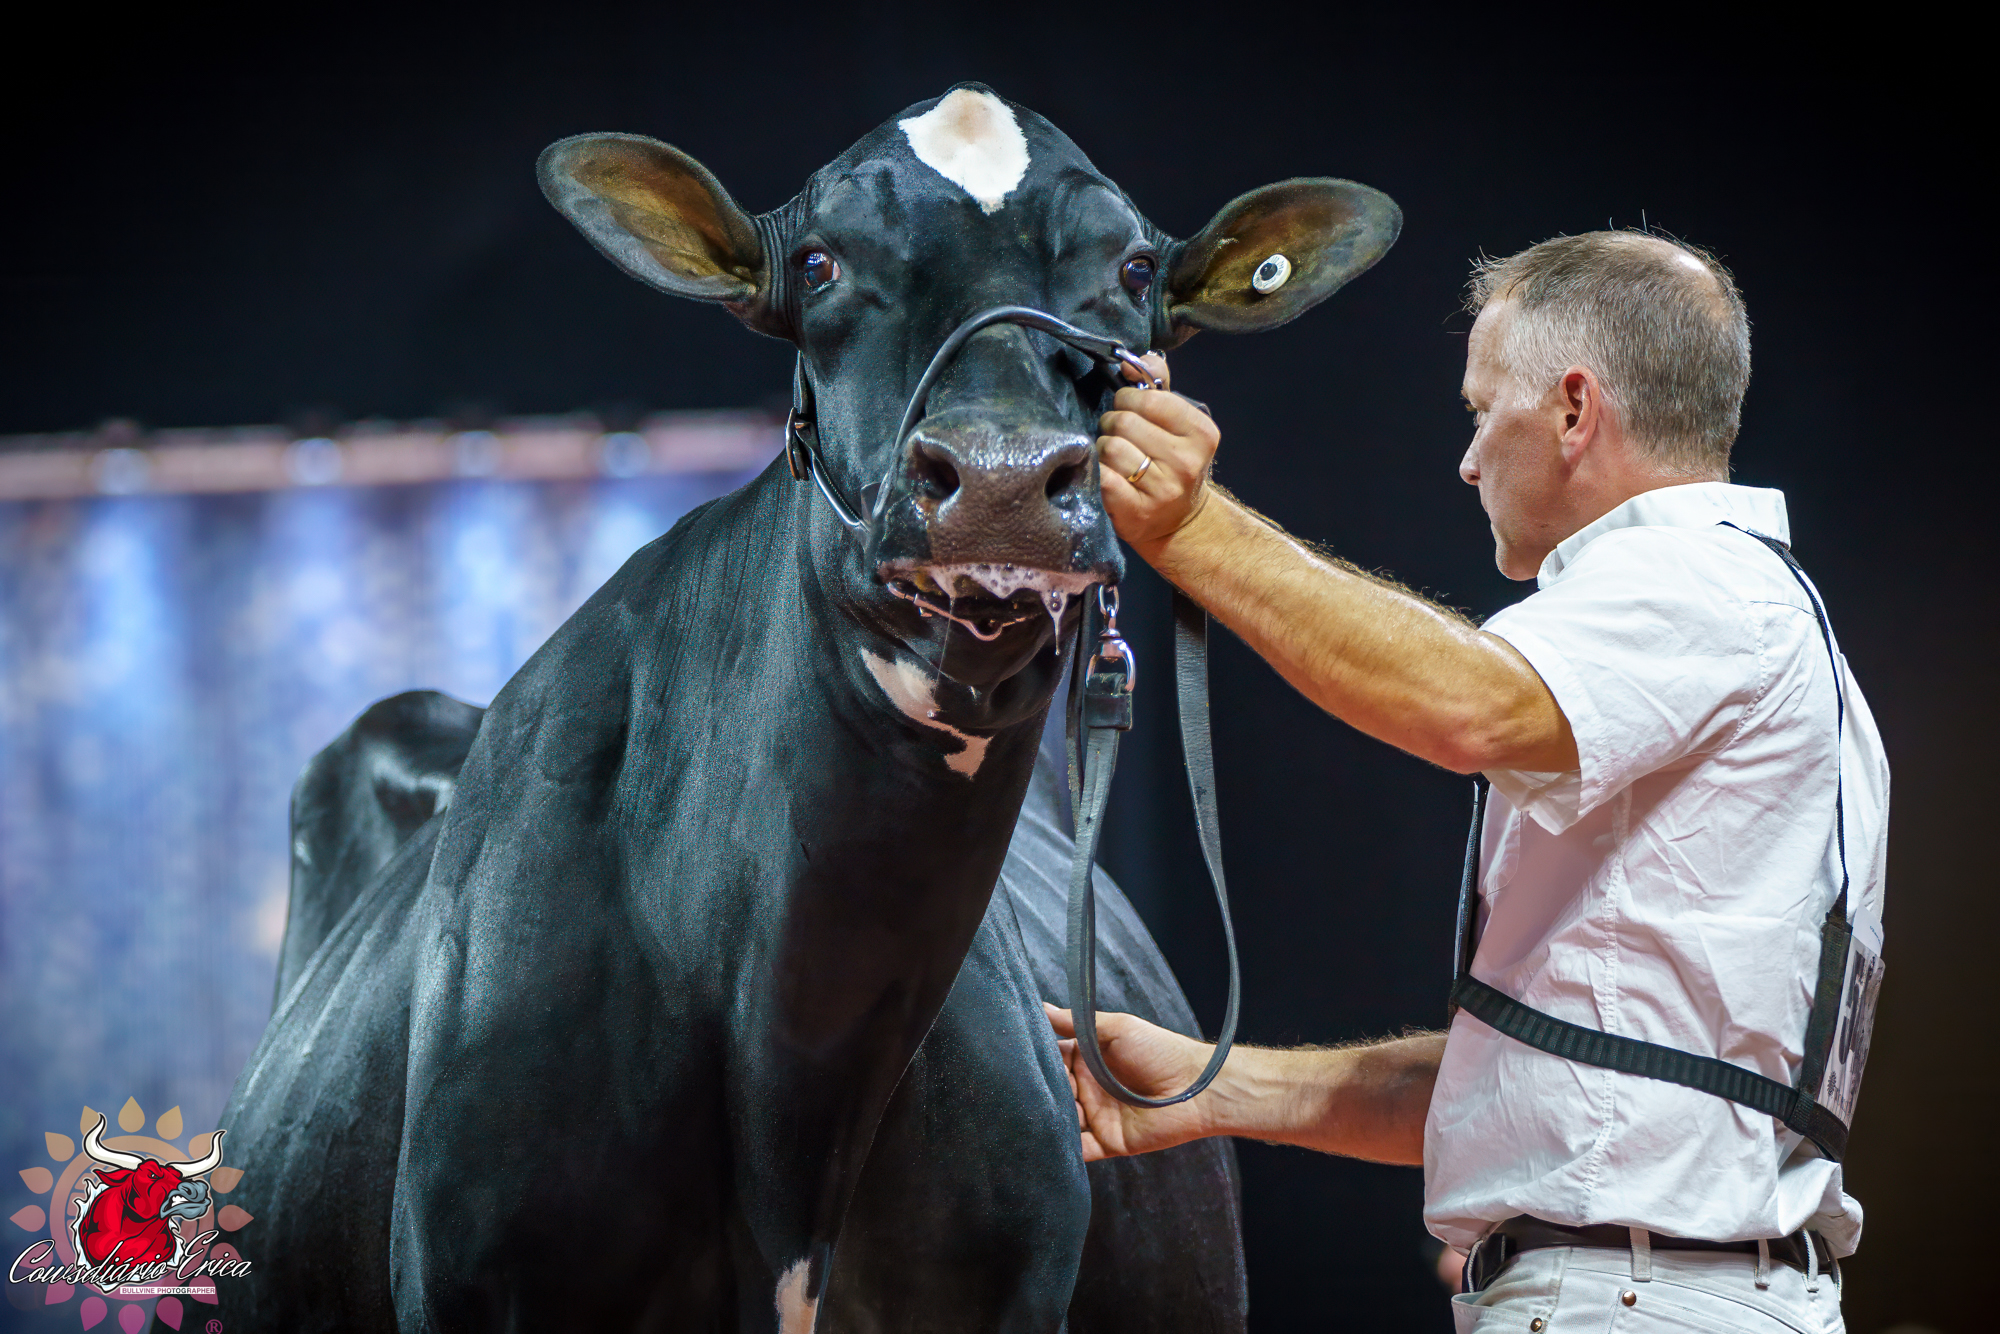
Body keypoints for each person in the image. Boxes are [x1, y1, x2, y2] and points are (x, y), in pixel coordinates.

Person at [1047, 231, 1887, 1333]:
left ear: (1574, 410)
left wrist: (1194, 526)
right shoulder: (1754, 617)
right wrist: (1202, 1086)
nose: (1468, 459)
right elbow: (1533, 1089)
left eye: (1482, 411)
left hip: (1635, 1302)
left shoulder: (1699, 585)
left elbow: (1465, 705)